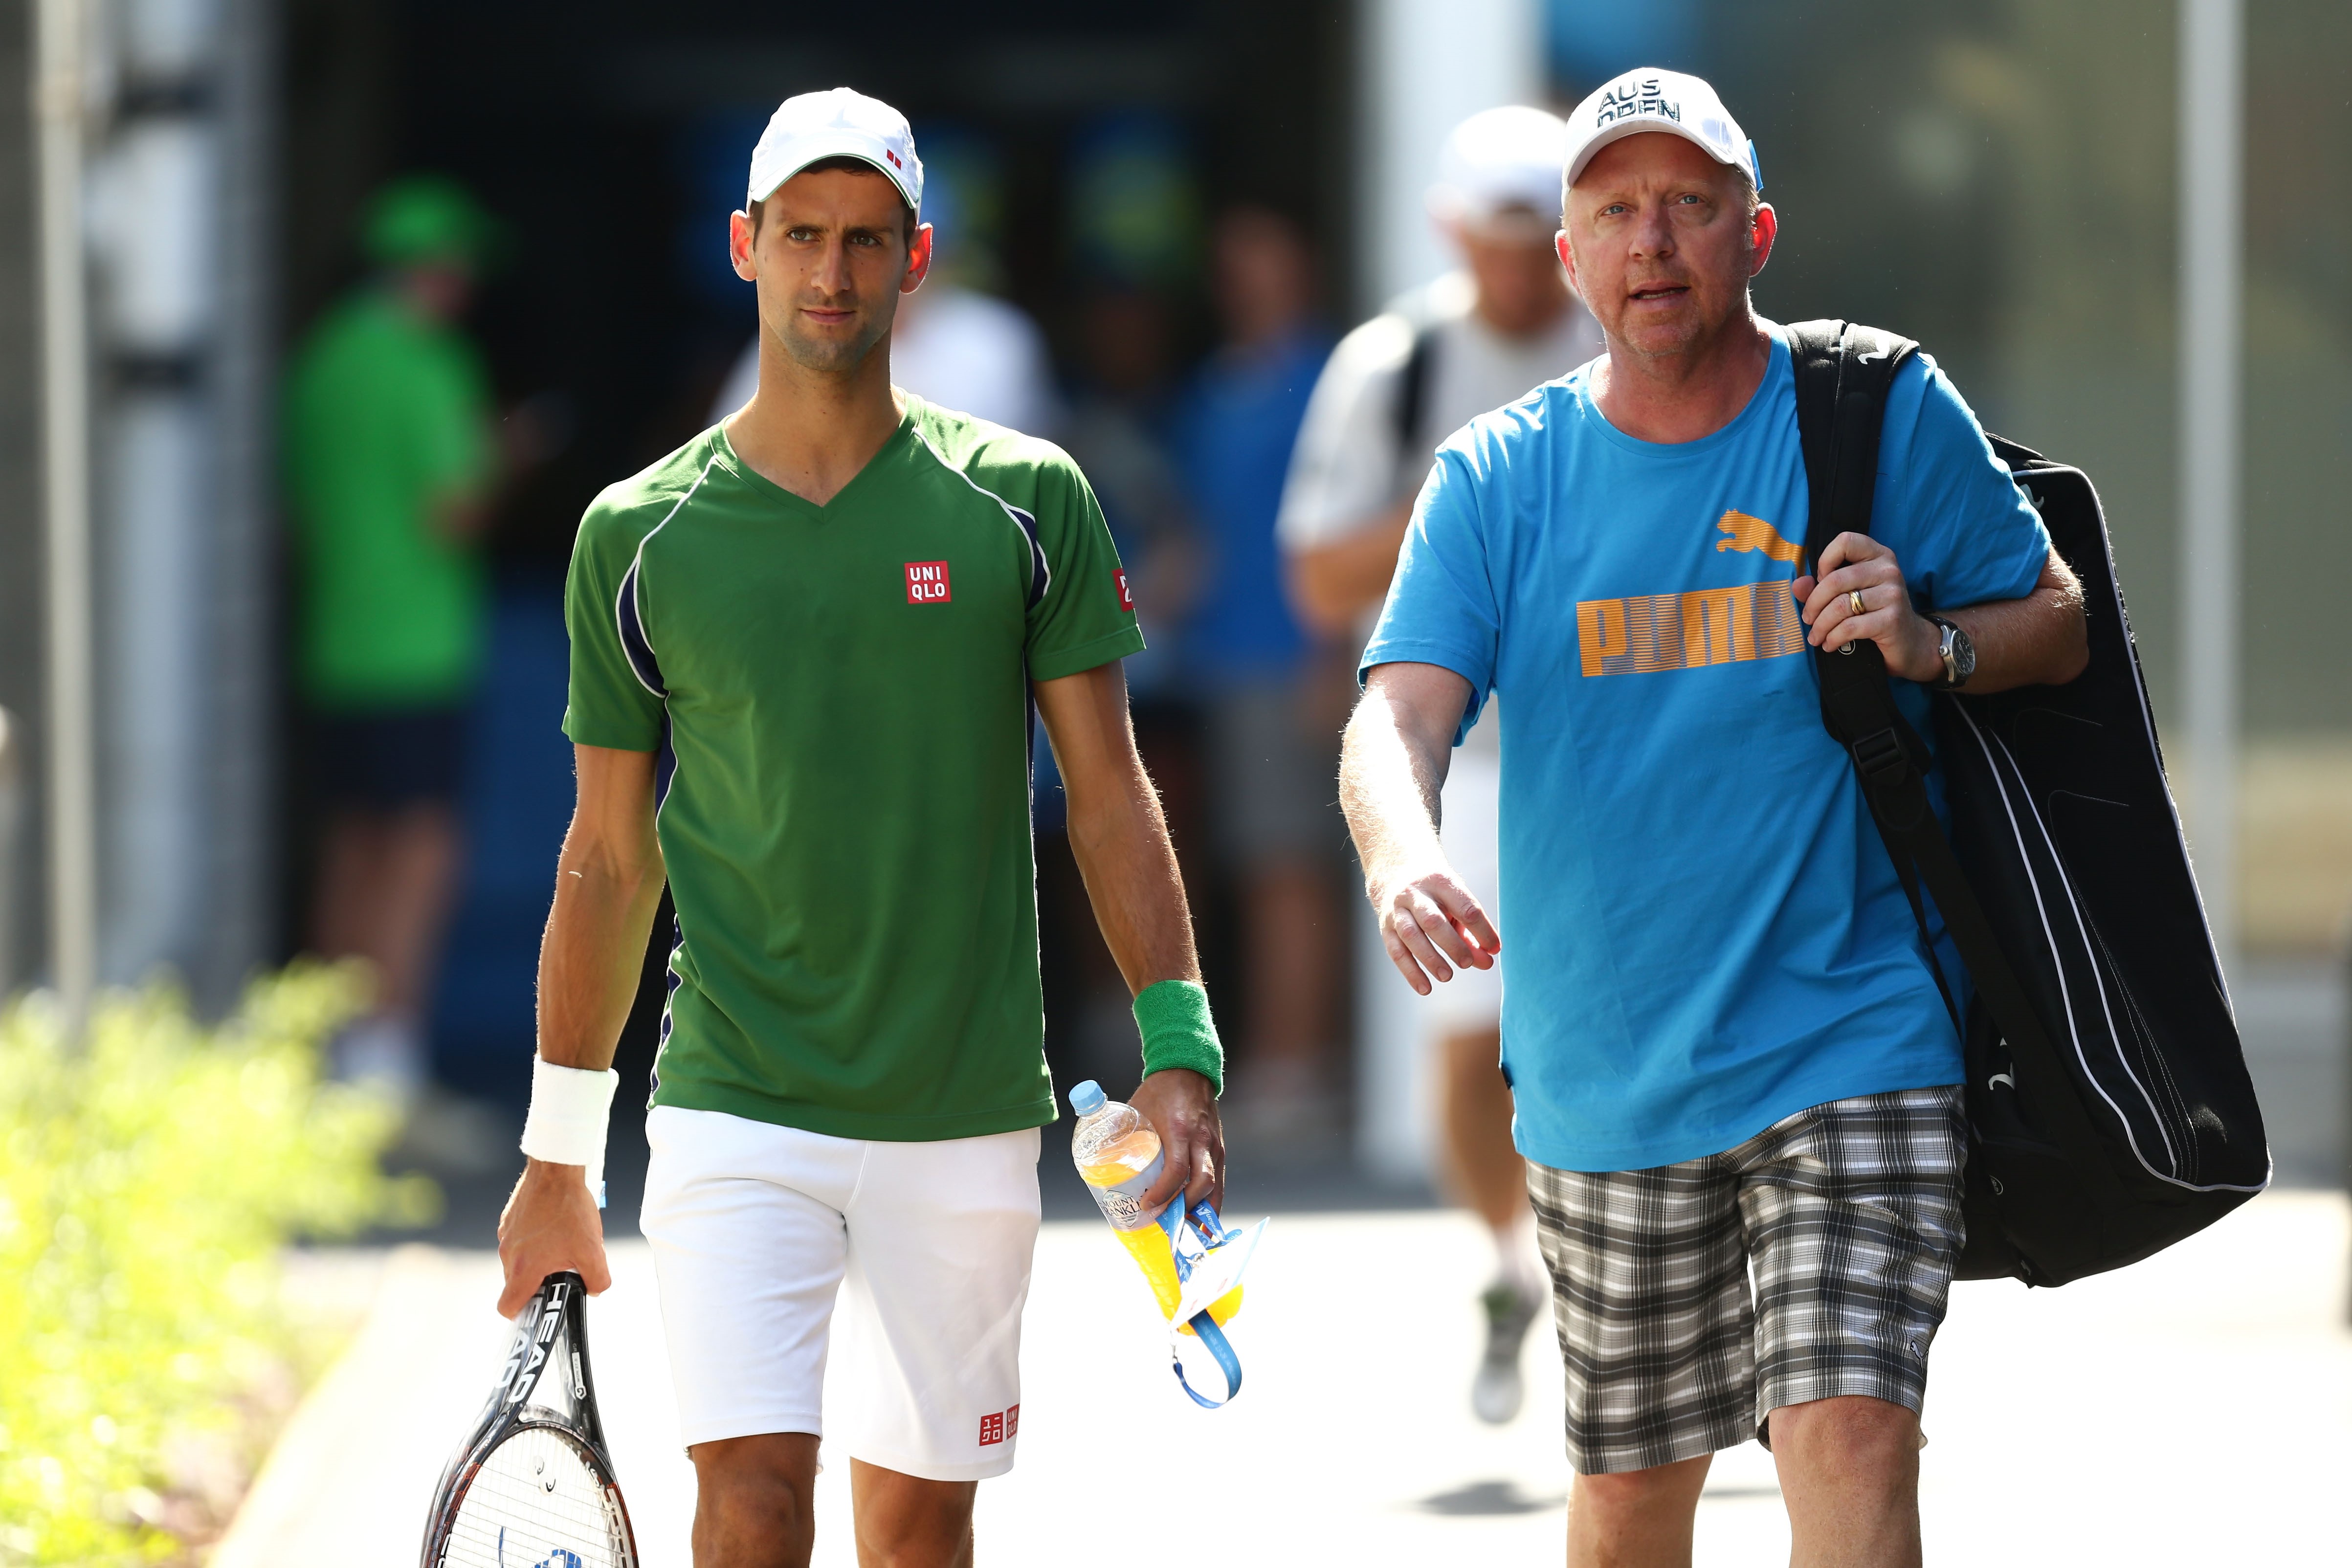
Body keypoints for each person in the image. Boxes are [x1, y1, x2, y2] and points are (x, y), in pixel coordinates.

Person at [1338, 68, 2087, 1568]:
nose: (1652, 241)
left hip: (1858, 1030)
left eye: (1688, 205)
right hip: (1609, 1071)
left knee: (1851, 1425)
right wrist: (1403, 853)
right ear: (1568, 259)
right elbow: (1395, 715)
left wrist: (1935, 640)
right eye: (1614, 211)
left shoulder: (1873, 409)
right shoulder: (1498, 477)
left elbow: (2055, 622)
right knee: (1632, 1502)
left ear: (1756, 232)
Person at [493, 89, 1226, 1568]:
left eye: (866, 241)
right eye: (804, 237)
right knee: (753, 1505)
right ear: (744, 248)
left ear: (917, 260)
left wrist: (1180, 1049)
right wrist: (558, 1158)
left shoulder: (1027, 500)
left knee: (913, 1534)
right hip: (730, 1106)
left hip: (961, 1116)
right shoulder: (636, 533)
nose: (832, 272)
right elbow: (607, 859)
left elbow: (1109, 794)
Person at [1278, 104, 1603, 1426]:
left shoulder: (1623, 338)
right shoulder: (1394, 364)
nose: (1525, 271)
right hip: (1451, 761)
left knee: (1615, 1018)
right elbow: (1313, 574)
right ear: (1451, 232)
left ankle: (1620, 1272)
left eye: (1545, 240)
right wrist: (1470, 499)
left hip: (1612, 750)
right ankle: (1513, 1262)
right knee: (1472, 1051)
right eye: (1501, 240)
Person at [284, 176, 501, 1096]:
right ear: (435, 272)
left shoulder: (319, 362)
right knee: (419, 852)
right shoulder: (433, 365)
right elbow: (454, 509)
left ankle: (332, 1054)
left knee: (349, 844)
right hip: (419, 645)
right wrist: (509, 457)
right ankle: (389, 1065)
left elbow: (291, 510)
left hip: (334, 640)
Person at [1168, 206, 1342, 1138]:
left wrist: (1330, 651)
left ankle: (1294, 1068)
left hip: (1292, 660)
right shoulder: (1209, 391)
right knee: (1251, 867)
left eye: (1266, 261)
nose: (1250, 281)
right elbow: (1198, 534)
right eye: (1234, 264)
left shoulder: (1328, 378)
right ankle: (1278, 1059)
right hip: (1221, 664)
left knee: (1292, 871)